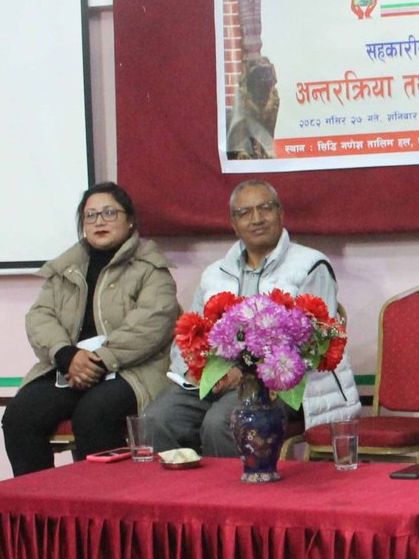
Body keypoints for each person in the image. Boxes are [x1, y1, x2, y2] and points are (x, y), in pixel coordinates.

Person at [145, 180, 359, 455]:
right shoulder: (215, 273)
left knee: (222, 423)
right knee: (157, 419)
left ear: (281, 214)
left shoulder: (310, 265)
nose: (256, 219)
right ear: (233, 224)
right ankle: (182, 483)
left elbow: (314, 341)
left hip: (281, 384)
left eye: (265, 208)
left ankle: (239, 484)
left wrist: (245, 372)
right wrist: (192, 370)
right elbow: (189, 333)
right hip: (217, 378)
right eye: (244, 213)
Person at [1, 183, 180, 475]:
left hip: (130, 369)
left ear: (130, 220)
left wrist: (98, 361)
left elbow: (153, 322)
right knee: (21, 415)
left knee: (94, 415)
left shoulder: (150, 267)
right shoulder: (66, 268)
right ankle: (38, 501)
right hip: (71, 368)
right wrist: (65, 355)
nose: (99, 221)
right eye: (91, 215)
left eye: (109, 213)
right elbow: (40, 316)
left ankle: (103, 502)